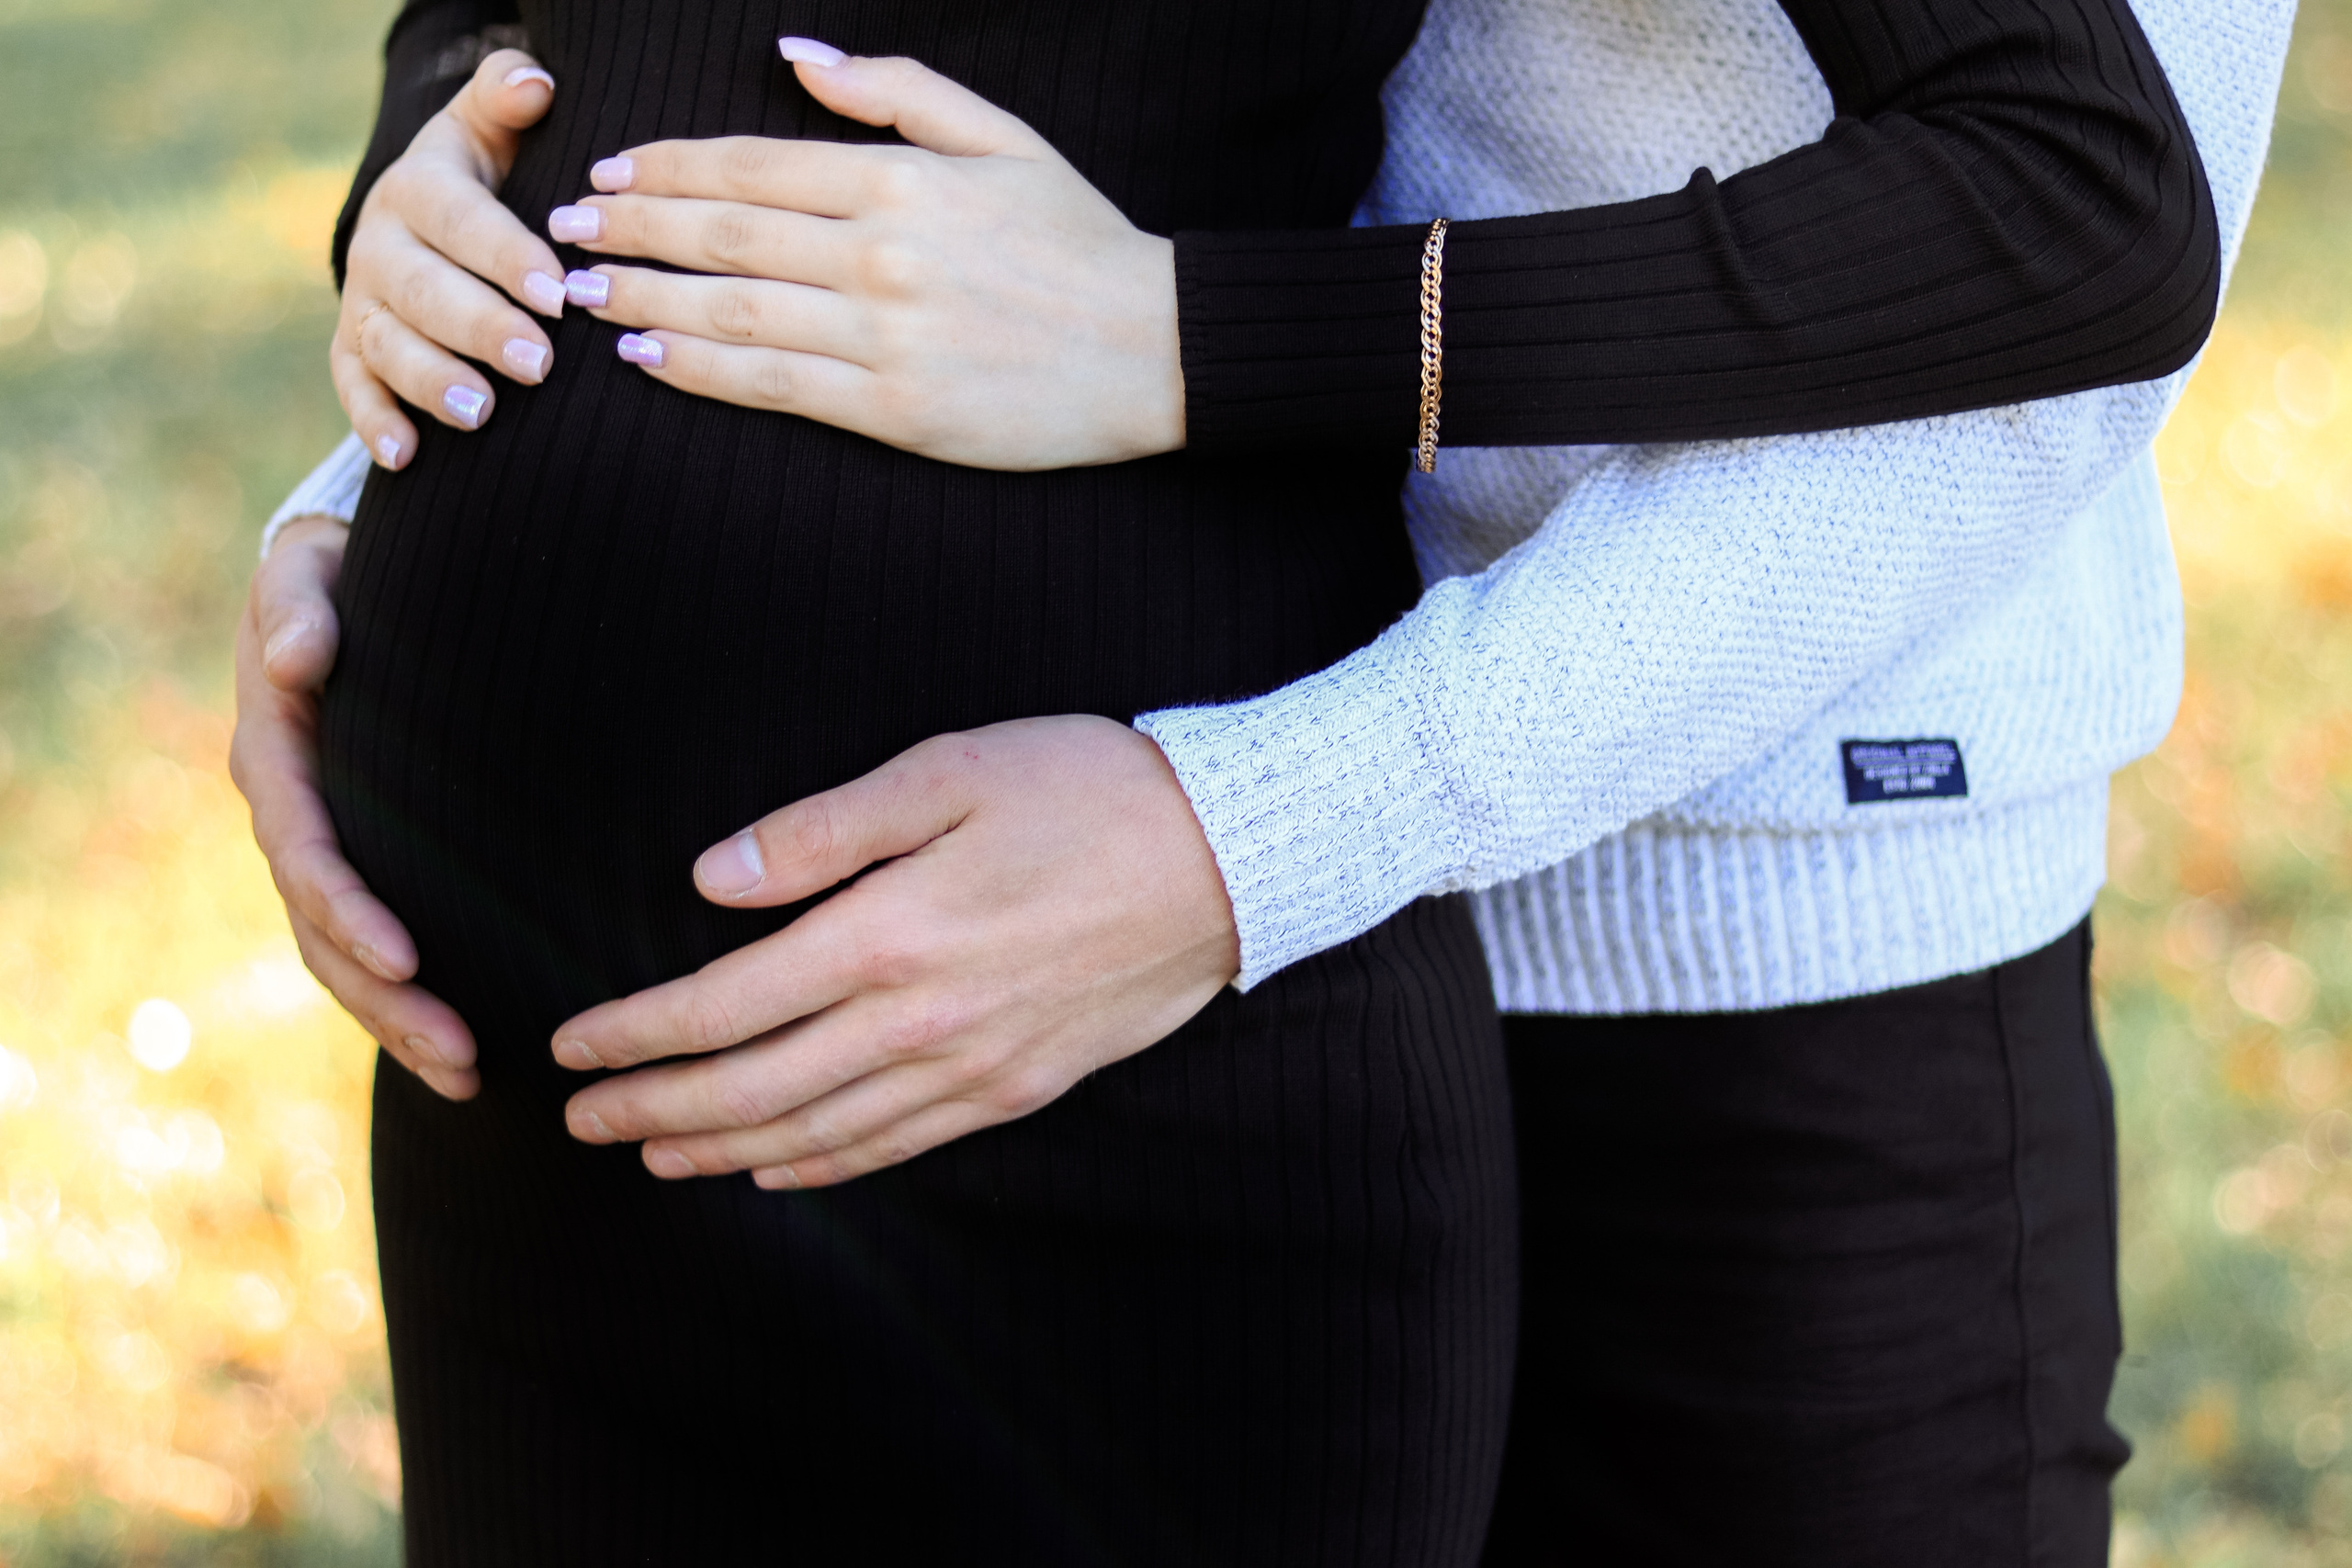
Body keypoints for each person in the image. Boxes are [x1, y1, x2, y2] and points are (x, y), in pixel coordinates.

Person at [231, 0, 2293, 1561]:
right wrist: (413, 413)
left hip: (1742, 970)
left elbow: (2066, 282)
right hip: (1073, 867)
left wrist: (1275, 818)